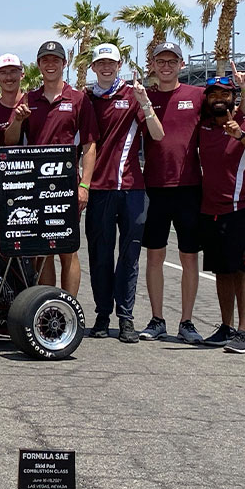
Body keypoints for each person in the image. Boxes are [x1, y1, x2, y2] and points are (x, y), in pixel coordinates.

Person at [140, 45, 245, 343]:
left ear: (182, 64)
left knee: (189, 257)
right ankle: (156, 319)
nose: (166, 66)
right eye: (161, 61)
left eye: (172, 61)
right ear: (152, 64)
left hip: (190, 189)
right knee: (155, 255)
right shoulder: (144, 97)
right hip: (153, 187)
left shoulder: (196, 95)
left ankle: (187, 322)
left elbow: (237, 116)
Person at [83, 43, 164, 342]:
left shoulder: (133, 95)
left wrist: (145, 103)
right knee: (100, 255)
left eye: (111, 63)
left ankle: (126, 318)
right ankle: (102, 315)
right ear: (93, 67)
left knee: (128, 256)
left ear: (119, 65)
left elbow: (157, 134)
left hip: (132, 188)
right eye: (100, 63)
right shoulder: (86, 99)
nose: (106, 68)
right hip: (100, 189)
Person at [4, 40, 98, 298]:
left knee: (68, 248)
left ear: (64, 64)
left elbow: (90, 144)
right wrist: (18, 120)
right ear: (39, 65)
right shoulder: (28, 99)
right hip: (35, 184)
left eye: (55, 60)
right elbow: (10, 141)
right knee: (43, 248)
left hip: (66, 185)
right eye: (45, 60)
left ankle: (70, 307)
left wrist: (85, 186)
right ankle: (47, 304)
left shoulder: (79, 99)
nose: (50, 64)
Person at [197, 77, 245, 354]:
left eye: (225, 93)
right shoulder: (203, 126)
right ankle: (226, 327)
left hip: (243, 208)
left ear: (233, 97)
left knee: (243, 269)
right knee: (221, 270)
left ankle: (244, 332)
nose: (219, 98)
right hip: (211, 210)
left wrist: (240, 135)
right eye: (213, 93)